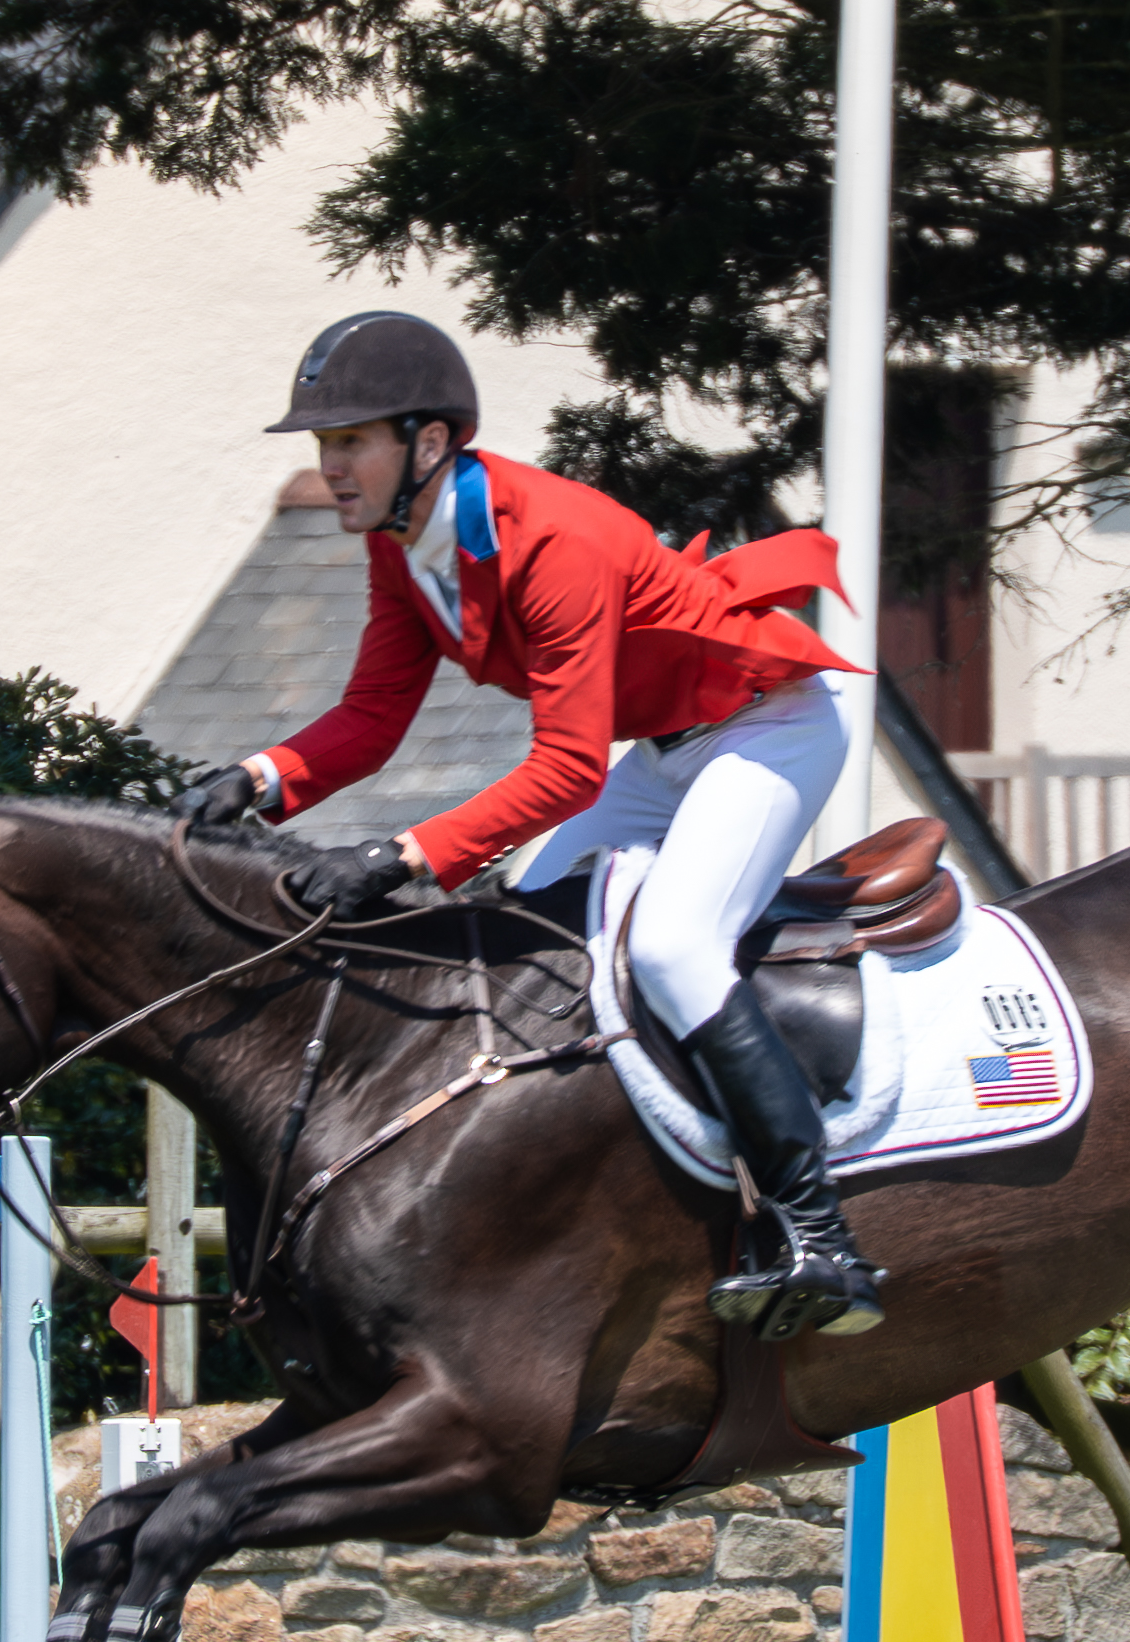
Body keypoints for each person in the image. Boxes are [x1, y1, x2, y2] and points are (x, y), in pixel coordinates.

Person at [178, 311, 888, 1331]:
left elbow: (560, 768)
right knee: (527, 926)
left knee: (679, 949)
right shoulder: (402, 544)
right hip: (660, 749)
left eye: (349, 442)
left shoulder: (551, 538)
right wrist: (254, 780)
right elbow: (373, 721)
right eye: (324, 446)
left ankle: (818, 1236)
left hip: (764, 728)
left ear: (426, 444)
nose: (330, 466)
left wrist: (397, 856)